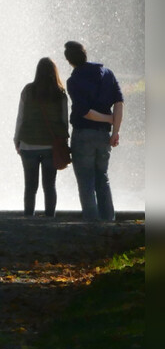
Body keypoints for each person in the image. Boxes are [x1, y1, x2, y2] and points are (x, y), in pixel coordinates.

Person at [64, 41, 123, 221]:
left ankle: (92, 223)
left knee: (86, 181)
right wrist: (115, 130)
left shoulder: (73, 81)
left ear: (69, 61)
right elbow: (119, 103)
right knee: (102, 178)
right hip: (103, 135)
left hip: (83, 135)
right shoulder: (107, 74)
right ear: (85, 54)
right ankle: (108, 220)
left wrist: (108, 119)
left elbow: (85, 112)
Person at [13, 58, 68, 217]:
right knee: (49, 186)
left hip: (28, 145)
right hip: (51, 147)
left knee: (30, 186)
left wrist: (17, 139)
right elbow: (64, 121)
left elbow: (21, 117)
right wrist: (64, 144)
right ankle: (50, 217)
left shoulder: (28, 91)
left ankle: (28, 217)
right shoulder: (60, 94)